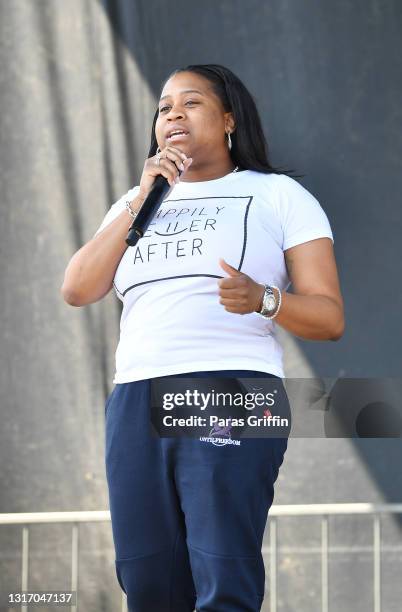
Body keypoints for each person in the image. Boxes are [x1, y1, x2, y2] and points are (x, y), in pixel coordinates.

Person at [61, 64, 344, 612]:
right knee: (147, 580)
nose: (173, 115)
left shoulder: (278, 195)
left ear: (229, 119)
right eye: (164, 107)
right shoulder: (134, 201)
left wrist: (265, 298)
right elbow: (77, 288)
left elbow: (329, 318)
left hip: (230, 390)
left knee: (221, 575)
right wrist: (142, 197)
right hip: (137, 397)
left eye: (191, 103)